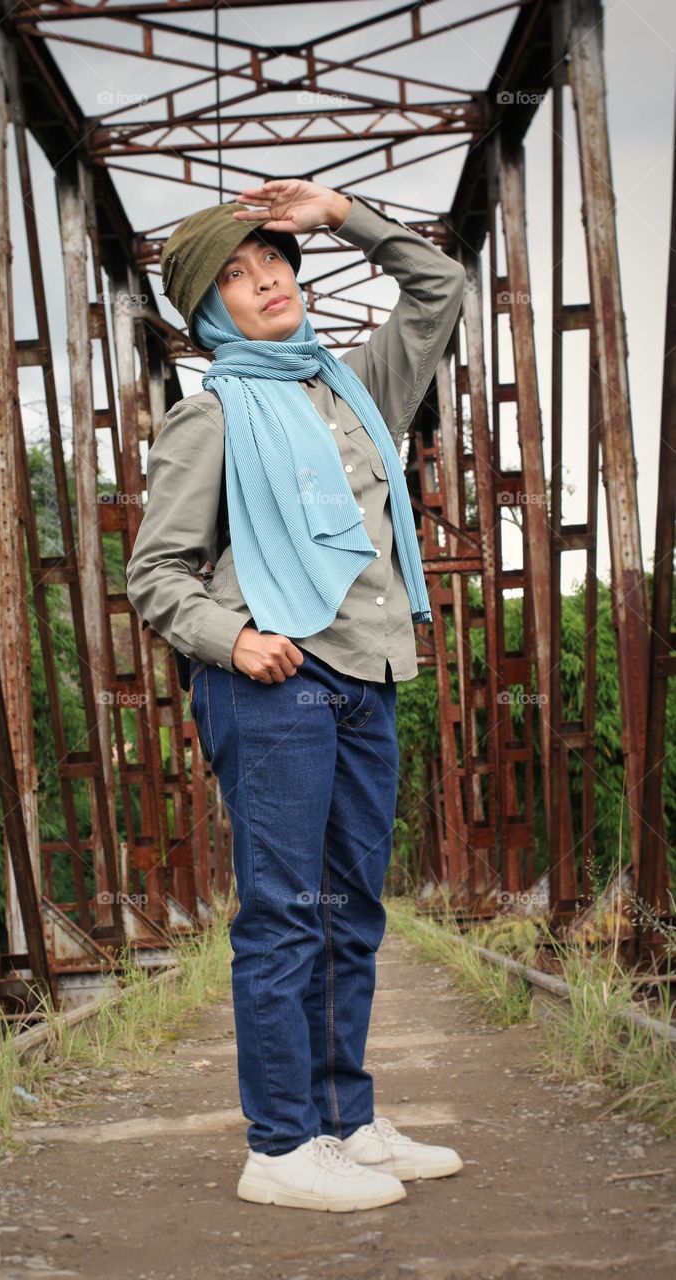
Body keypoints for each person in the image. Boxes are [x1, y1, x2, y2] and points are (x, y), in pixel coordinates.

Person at [126, 179, 466, 1212]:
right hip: (273, 682)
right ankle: (278, 1144)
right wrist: (232, 639)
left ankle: (343, 1119)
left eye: (271, 258)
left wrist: (337, 212)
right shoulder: (213, 413)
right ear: (207, 312)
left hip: (366, 671)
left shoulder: (359, 388)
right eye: (232, 274)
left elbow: (438, 284)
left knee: (349, 909)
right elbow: (156, 574)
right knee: (284, 916)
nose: (263, 279)